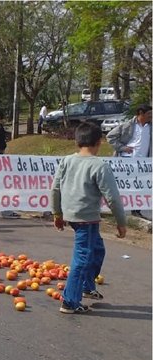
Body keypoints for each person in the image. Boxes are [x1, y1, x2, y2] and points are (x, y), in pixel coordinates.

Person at [50, 121, 126, 314]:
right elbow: (113, 198)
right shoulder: (100, 166)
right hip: (86, 219)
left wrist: (57, 214)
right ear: (99, 142)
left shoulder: (66, 160)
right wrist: (121, 223)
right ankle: (69, 301)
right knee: (82, 258)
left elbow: (55, 189)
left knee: (97, 250)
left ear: (77, 141)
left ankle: (87, 286)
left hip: (72, 216)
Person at [107, 104, 152, 219]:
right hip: (126, 162)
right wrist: (122, 148)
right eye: (148, 114)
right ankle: (115, 210)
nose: (151, 116)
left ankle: (136, 210)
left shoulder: (150, 126)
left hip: (143, 163)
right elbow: (110, 137)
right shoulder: (128, 125)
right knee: (122, 186)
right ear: (140, 113)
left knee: (139, 186)